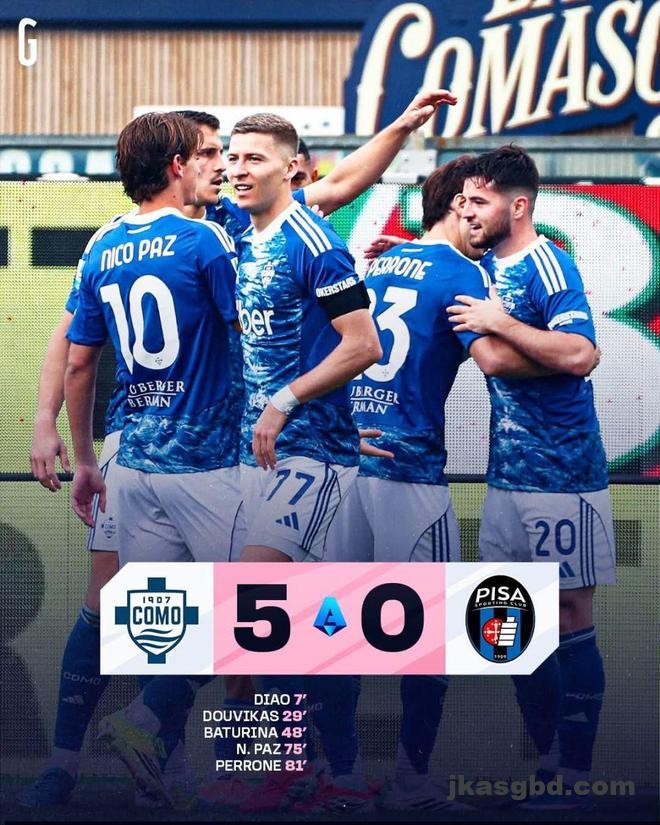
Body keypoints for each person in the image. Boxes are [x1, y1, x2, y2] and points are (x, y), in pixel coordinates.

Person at [325, 156, 551, 812]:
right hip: (408, 473)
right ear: (456, 205)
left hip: (348, 463)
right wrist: (571, 358)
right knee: (426, 636)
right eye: (474, 203)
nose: (481, 218)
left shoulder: (380, 262)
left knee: (332, 629)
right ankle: (411, 780)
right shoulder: (464, 273)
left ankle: (340, 775)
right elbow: (495, 361)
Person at [63, 111, 241, 804]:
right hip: (206, 463)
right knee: (258, 607)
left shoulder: (104, 247)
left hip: (131, 464)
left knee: (160, 622)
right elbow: (249, 338)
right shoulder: (204, 239)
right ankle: (146, 720)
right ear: (175, 166)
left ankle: (158, 765)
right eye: (198, 156)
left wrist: (85, 459)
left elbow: (80, 364)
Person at [448, 145, 614, 809]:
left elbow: (581, 354)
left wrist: (500, 323)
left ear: (517, 205)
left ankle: (575, 776)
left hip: (564, 474)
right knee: (509, 628)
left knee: (570, 616)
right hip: (506, 479)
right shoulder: (479, 265)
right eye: (463, 201)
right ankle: (548, 763)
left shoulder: (549, 263)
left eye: (479, 201)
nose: (468, 211)